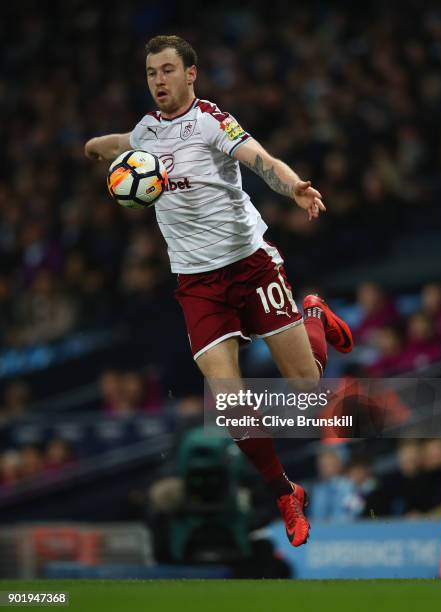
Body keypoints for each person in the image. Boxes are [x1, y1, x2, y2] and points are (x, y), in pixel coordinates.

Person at [84, 35, 353, 547]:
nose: (158, 81)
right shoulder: (146, 131)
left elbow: (262, 160)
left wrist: (294, 186)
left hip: (250, 267)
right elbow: (126, 140)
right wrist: (98, 146)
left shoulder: (212, 120)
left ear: (191, 75)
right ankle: (284, 491)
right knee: (228, 404)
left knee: (306, 389)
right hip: (196, 283)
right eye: (150, 73)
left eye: (167, 71)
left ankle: (313, 313)